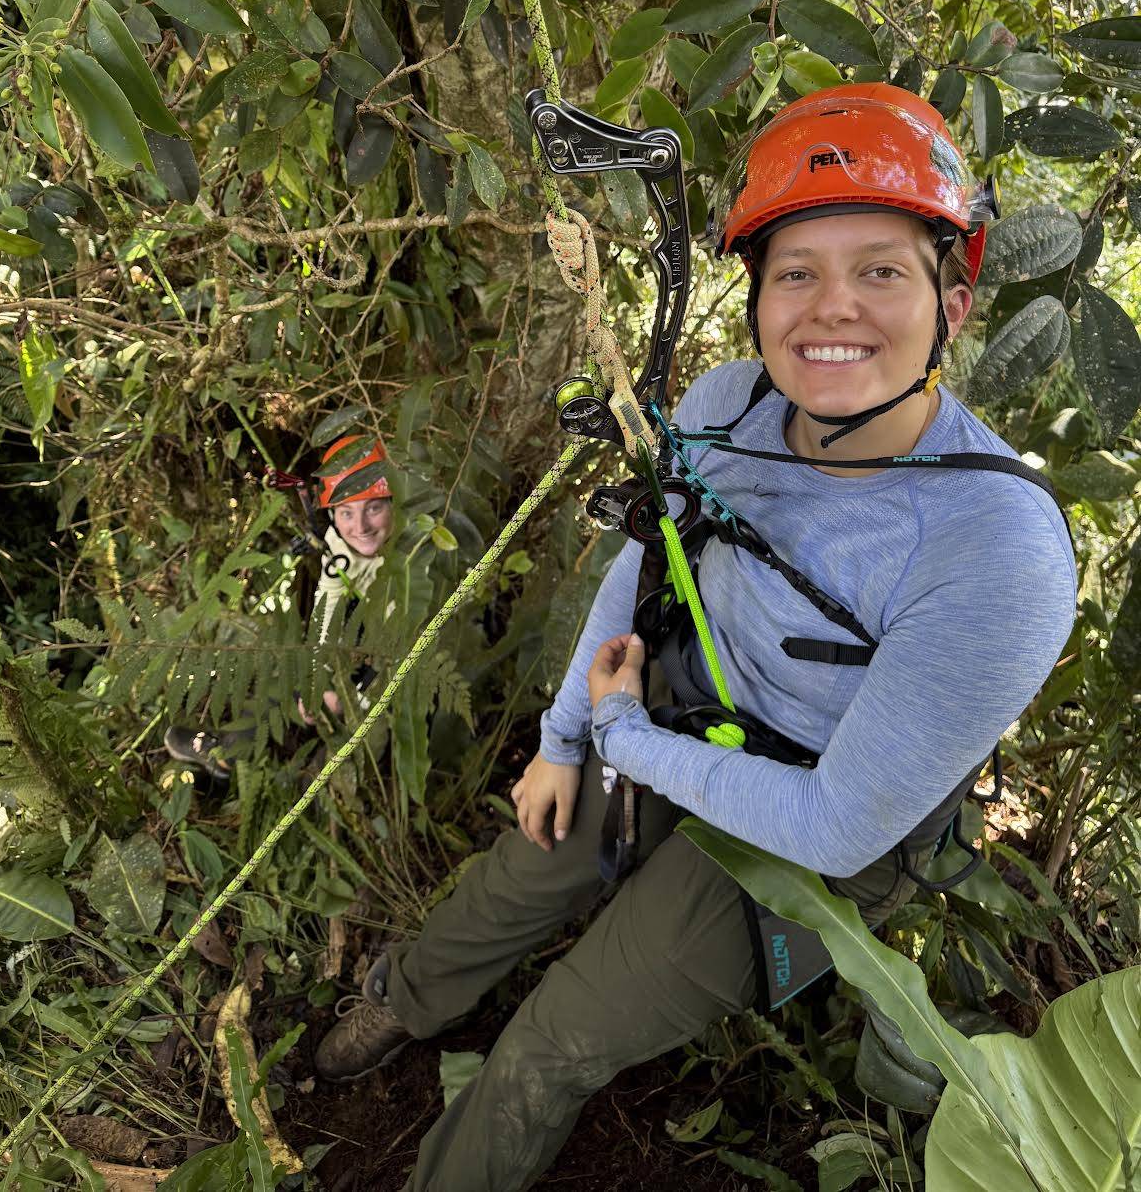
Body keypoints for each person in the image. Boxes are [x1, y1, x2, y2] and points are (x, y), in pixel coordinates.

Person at [312, 85, 1077, 1192]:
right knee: (513, 878)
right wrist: (567, 737)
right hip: (678, 705)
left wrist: (619, 735)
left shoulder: (992, 549)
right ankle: (394, 1002)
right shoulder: (729, 403)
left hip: (808, 822)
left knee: (556, 1037)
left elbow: (836, 821)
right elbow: (646, 562)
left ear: (949, 305)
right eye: (795, 272)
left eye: (879, 269)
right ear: (755, 295)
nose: (831, 310)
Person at [163, 436, 393, 785]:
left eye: (373, 507)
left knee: (345, 764)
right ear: (332, 513)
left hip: (410, 680)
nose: (359, 527)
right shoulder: (341, 545)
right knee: (291, 679)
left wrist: (350, 696)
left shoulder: (414, 560)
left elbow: (410, 646)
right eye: (347, 512)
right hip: (366, 647)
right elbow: (327, 611)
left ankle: (309, 796)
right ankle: (226, 753)